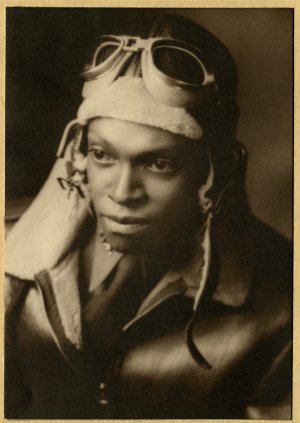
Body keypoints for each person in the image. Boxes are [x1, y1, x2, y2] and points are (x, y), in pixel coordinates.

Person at [5, 13, 292, 419]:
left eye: (158, 164)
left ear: (215, 171)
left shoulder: (283, 309)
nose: (122, 193)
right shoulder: (8, 256)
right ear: (76, 154)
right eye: (103, 155)